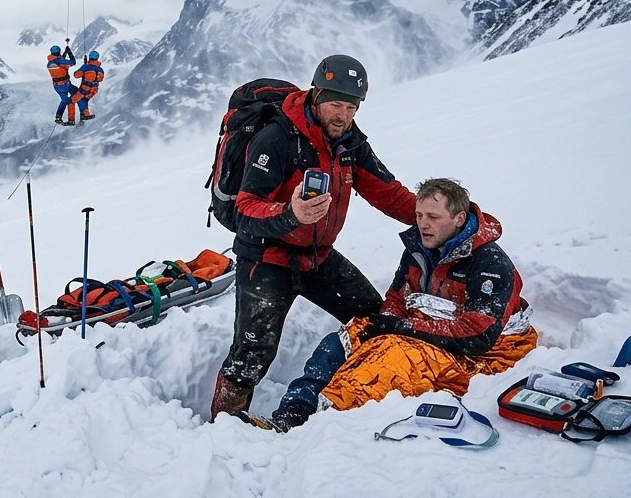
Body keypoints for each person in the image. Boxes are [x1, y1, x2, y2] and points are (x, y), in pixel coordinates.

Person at [211, 54, 419, 422]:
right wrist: (290, 214)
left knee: (373, 320)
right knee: (250, 356)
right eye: (335, 105)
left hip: (318, 257)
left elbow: (389, 193)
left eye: (351, 108)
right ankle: (222, 428)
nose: (343, 115)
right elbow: (245, 210)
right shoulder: (276, 138)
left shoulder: (350, 142)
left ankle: (349, 401)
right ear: (316, 95)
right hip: (266, 259)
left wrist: (447, 220)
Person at [242, 178, 537, 431]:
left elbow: (478, 336)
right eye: (419, 214)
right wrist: (385, 325)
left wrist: (400, 328)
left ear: (459, 219)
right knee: (346, 339)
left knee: (388, 360)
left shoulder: (489, 264)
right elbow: (397, 298)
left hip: (484, 354)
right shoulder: (419, 249)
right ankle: (293, 412)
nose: (422, 223)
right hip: (428, 331)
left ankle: (322, 424)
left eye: (433, 217)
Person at [47, 44, 78, 125]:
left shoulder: (50, 63)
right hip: (65, 85)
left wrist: (64, 53)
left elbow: (60, 63)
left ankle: (58, 116)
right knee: (76, 93)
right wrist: (69, 53)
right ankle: (75, 116)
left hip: (57, 86)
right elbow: (73, 62)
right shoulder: (60, 61)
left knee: (64, 100)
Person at [71, 50, 105, 120]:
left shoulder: (86, 67)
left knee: (72, 101)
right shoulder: (100, 69)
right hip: (94, 90)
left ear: (90, 57)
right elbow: (100, 79)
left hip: (85, 89)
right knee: (84, 100)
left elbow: (76, 75)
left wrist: (82, 71)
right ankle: (83, 117)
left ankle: (72, 119)